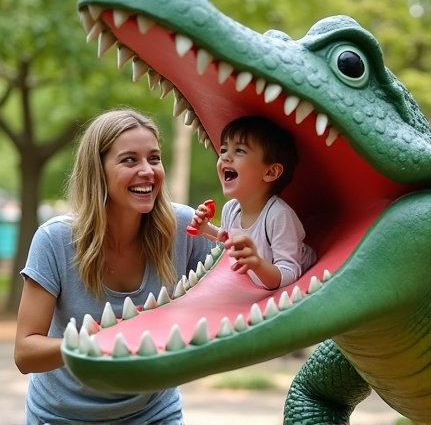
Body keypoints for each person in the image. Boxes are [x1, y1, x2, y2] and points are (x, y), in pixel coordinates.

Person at [14, 108, 214, 425]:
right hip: (61, 415)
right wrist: (96, 341)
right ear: (99, 170)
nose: (148, 171)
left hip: (153, 412)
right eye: (129, 160)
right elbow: (26, 353)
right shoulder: (55, 240)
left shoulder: (184, 228)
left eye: (154, 158)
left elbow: (240, 281)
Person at [191, 115, 316, 290]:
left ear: (271, 172)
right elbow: (226, 239)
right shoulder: (231, 209)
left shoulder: (279, 216)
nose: (225, 157)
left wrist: (257, 263)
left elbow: (289, 273)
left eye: (239, 151)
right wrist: (206, 228)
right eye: (224, 150)